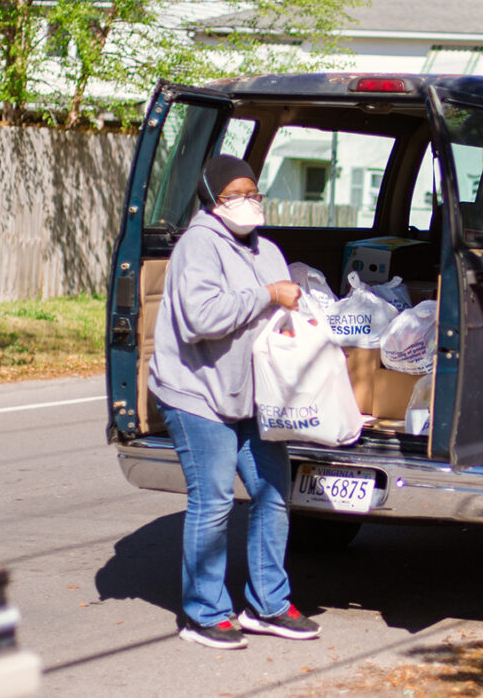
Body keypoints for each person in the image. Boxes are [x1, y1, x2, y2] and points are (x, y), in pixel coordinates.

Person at [149, 154, 320, 650]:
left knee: (273, 492)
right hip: (197, 392)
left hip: (252, 395)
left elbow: (280, 313)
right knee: (214, 499)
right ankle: (204, 613)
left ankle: (268, 604)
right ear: (212, 200)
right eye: (235, 195)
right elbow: (203, 317)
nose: (248, 203)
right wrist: (268, 294)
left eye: (254, 193)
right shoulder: (197, 246)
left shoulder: (267, 248)